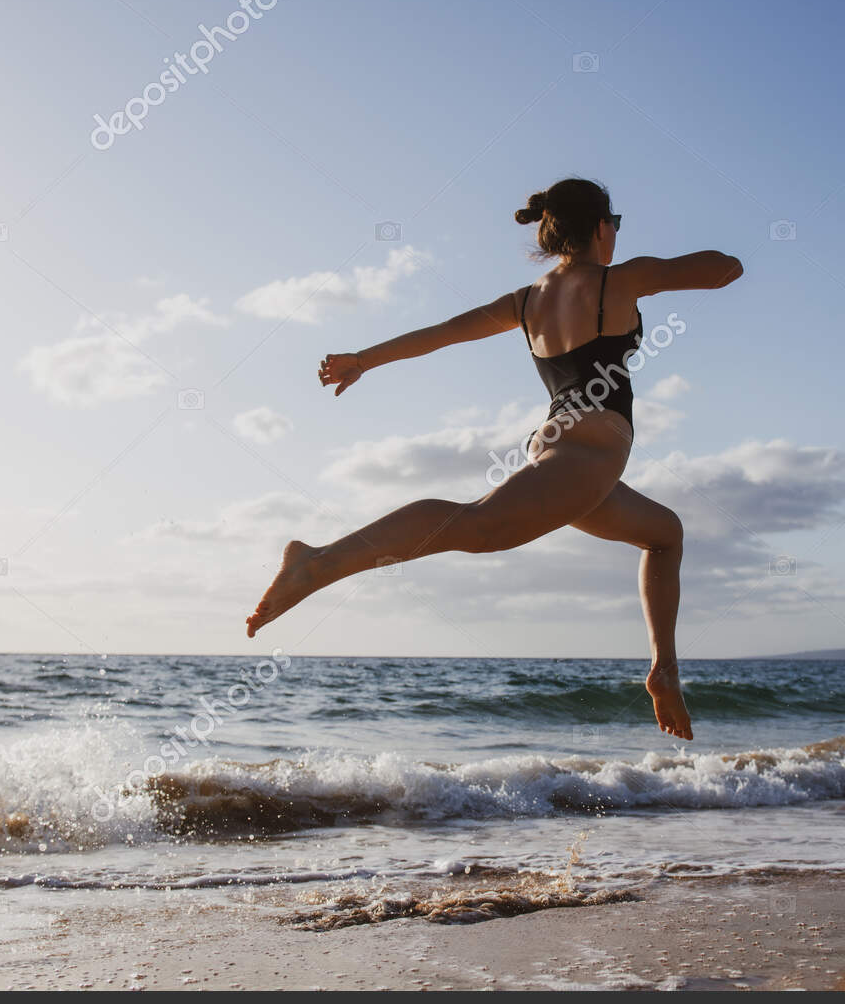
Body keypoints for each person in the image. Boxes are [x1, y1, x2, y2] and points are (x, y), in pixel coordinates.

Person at [246, 178, 743, 740]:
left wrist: (365, 359)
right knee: (478, 525)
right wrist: (661, 271)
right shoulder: (620, 280)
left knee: (665, 533)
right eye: (616, 227)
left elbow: (438, 335)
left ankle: (664, 669)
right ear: (603, 227)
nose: (618, 238)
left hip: (561, 449)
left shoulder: (526, 301)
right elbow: (726, 268)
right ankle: (318, 561)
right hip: (587, 454)